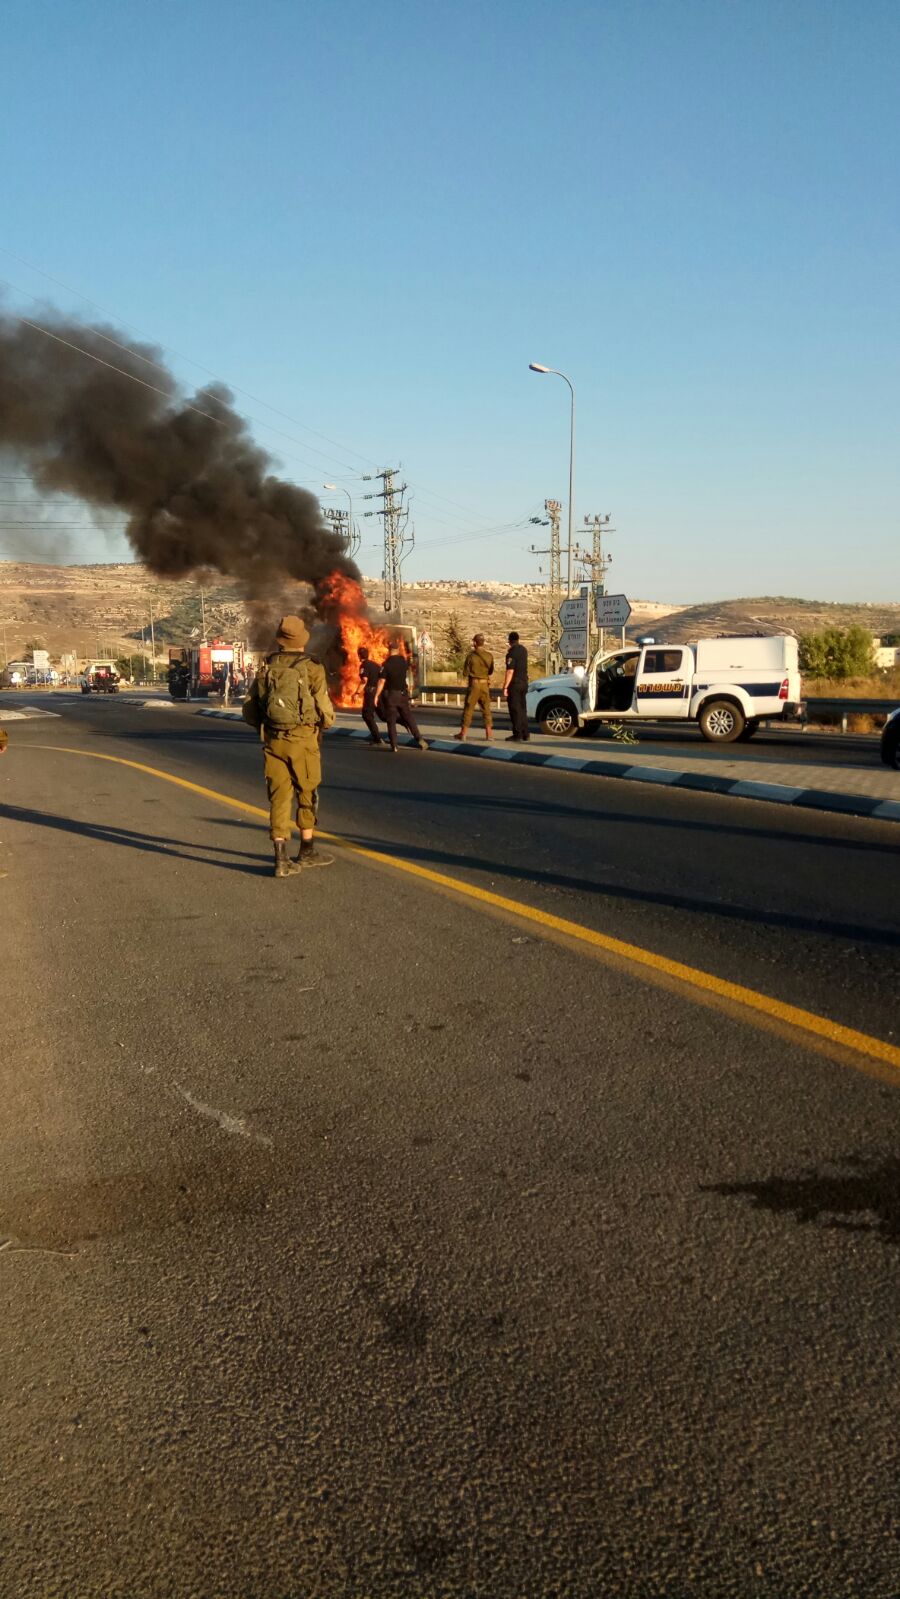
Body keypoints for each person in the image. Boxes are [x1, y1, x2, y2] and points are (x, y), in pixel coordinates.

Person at [242, 614, 335, 879]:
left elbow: (249, 709)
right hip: (303, 740)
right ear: (302, 640)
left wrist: (268, 726)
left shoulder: (267, 665)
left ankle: (280, 859)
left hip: (273, 740)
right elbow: (324, 707)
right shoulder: (312, 666)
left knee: (279, 798)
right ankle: (306, 850)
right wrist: (324, 724)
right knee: (307, 793)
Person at [378, 639, 428, 754]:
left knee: (391, 720)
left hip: (391, 695)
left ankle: (394, 745)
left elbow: (381, 682)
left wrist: (376, 696)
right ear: (398, 649)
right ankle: (419, 739)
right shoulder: (403, 661)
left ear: (389, 650)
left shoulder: (386, 664)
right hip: (402, 694)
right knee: (409, 717)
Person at [457, 633, 494, 741]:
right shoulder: (489, 655)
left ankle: (463, 733)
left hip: (474, 685)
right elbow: (491, 671)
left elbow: (465, 672)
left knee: (469, 709)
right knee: (486, 709)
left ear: (474, 643)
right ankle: (489, 735)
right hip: (485, 685)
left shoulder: (471, 656)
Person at [502, 631, 530, 741]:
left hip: (515, 684)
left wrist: (505, 687)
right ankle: (525, 733)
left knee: (515, 709)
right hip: (524, 682)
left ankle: (517, 734)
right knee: (523, 709)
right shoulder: (524, 650)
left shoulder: (511, 653)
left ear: (509, 641)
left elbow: (510, 671)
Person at [357, 645, 384, 745]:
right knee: (383, 715)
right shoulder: (375, 665)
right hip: (379, 692)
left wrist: (357, 693)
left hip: (370, 693)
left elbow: (364, 680)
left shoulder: (364, 666)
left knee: (367, 715)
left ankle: (377, 739)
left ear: (359, 656)